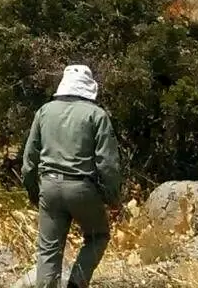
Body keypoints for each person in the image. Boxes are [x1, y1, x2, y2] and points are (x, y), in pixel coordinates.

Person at [22, 64, 123, 288]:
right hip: (81, 188)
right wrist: (113, 197)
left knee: (48, 250)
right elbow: (107, 164)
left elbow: (29, 159)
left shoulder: (44, 111)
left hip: (48, 186)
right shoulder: (97, 115)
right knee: (98, 236)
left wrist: (33, 191)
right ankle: (76, 283)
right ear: (88, 87)